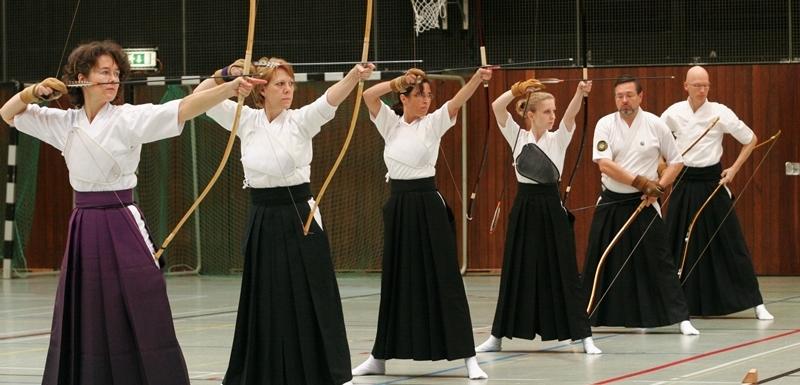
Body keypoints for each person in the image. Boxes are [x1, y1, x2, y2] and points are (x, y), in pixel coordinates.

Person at [0, 40, 261, 385]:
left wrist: (229, 85)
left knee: (142, 300)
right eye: (104, 72)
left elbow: (184, 108)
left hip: (121, 220)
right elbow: (8, 113)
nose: (113, 79)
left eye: (117, 73)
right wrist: (34, 91)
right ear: (82, 78)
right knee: (88, 310)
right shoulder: (66, 123)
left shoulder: (128, 118)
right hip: (84, 224)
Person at [193, 58, 374, 385]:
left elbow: (330, 98)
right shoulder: (245, 119)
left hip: (299, 219)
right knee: (266, 297)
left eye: (290, 83)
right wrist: (226, 75)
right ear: (262, 89)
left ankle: (319, 371)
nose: (288, 89)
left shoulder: (301, 121)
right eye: (279, 84)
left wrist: (353, 76)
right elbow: (201, 96)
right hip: (262, 217)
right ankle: (266, 372)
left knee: (309, 295)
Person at [350, 67, 491, 380]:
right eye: (419, 95)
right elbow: (367, 95)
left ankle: (468, 357)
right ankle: (379, 357)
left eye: (429, 95)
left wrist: (476, 80)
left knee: (445, 279)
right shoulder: (390, 123)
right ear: (404, 98)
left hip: (428, 205)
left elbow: (456, 103)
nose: (427, 100)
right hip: (399, 207)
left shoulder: (433, 123)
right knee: (396, 281)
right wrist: (396, 81)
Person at [474, 79, 601, 354]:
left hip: (551, 206)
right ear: (530, 115)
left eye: (553, 111)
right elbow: (497, 107)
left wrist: (580, 92)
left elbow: (570, 116)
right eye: (547, 111)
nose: (553, 116)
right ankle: (497, 337)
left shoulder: (559, 138)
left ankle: (584, 336)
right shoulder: (518, 136)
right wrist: (517, 90)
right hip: (525, 207)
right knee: (515, 268)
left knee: (565, 271)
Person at [582, 75, 700, 335]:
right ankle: (585, 317)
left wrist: (658, 188)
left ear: (640, 96)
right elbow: (604, 164)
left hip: (645, 204)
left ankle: (681, 318)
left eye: (629, 95)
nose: (624, 101)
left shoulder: (656, 124)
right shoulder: (605, 124)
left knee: (660, 260)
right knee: (599, 259)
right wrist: (641, 182)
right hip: (613, 202)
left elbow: (677, 161)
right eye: (619, 96)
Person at [661, 66, 773, 320]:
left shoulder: (720, 112)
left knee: (731, 241)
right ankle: (668, 304)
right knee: (674, 242)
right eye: (697, 85)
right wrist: (662, 167)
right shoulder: (673, 114)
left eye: (706, 85)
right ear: (685, 86)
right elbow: (658, 140)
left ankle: (756, 302)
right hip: (683, 182)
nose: (702, 90)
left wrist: (733, 169)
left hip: (713, 183)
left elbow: (751, 139)